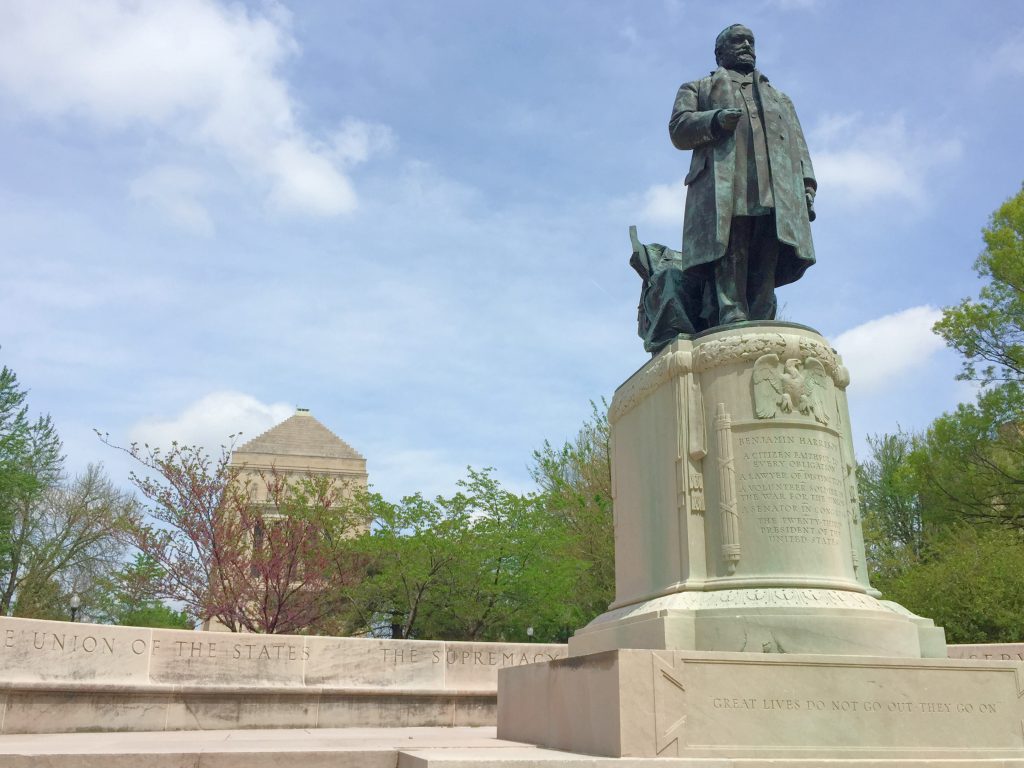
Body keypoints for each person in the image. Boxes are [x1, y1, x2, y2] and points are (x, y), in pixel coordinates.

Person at [668, 24, 817, 328]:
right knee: (731, 244)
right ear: (719, 53)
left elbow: (799, 144)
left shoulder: (779, 97)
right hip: (726, 182)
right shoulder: (698, 88)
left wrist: (807, 185)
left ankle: (762, 315)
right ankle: (731, 311)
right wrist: (715, 120)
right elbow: (679, 129)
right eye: (738, 41)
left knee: (769, 244)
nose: (747, 45)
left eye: (750, 41)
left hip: (775, 184)